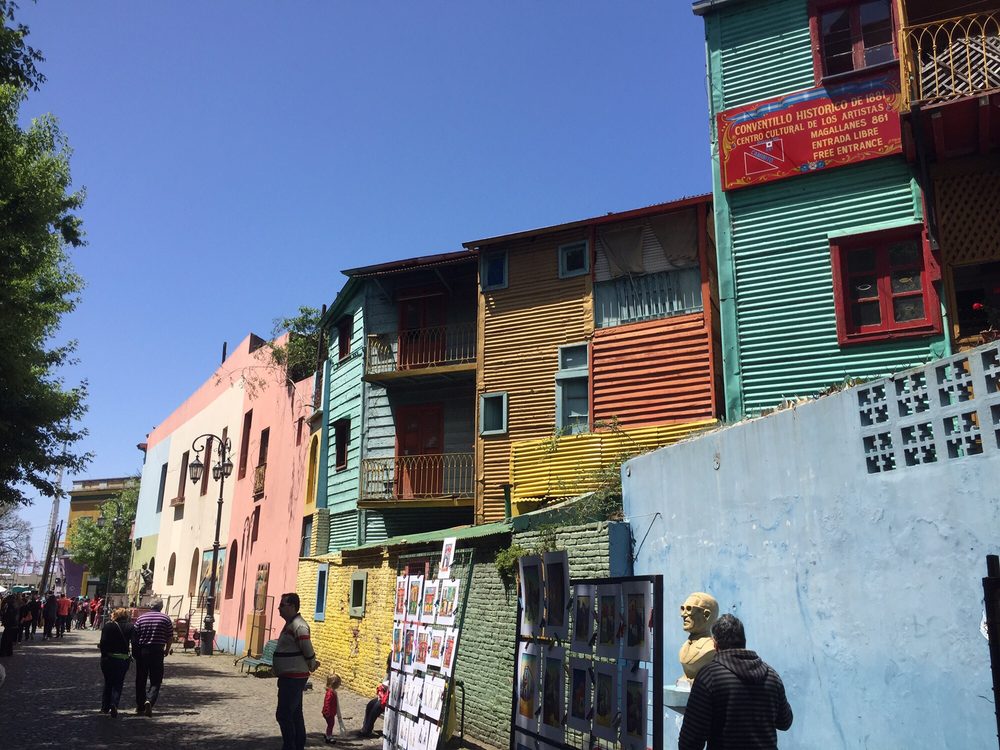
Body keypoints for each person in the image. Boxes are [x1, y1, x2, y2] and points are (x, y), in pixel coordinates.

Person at [679, 614, 793, 750]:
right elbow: (785, 722)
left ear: (715, 644)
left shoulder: (710, 676)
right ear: (743, 641)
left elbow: (691, 739)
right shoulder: (771, 676)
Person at [274, 592, 320, 750]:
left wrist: (312, 663)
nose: (279, 608)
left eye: (282, 605)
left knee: (284, 714)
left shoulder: (298, 625)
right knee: (295, 714)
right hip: (289, 676)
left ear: (292, 606)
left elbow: (307, 648)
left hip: (294, 677)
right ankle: (298, 744)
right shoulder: (291, 624)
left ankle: (290, 746)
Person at [132, 599, 174, 717]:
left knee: (141, 678)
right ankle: (149, 700)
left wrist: (135, 651)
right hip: (157, 651)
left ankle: (140, 706)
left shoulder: (141, 618)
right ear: (161, 607)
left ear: (150, 606)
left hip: (143, 651)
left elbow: (135, 635)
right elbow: (170, 636)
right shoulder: (166, 619)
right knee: (156, 679)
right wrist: (167, 649)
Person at [99, 607, 135, 717]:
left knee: (108, 682)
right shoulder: (131, 627)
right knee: (118, 683)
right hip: (123, 659)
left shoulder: (108, 626)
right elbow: (134, 642)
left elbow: (103, 642)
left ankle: (105, 707)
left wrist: (104, 655)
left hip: (109, 658)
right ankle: (114, 703)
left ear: (115, 615)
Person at [359, 654, 391, 737]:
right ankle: (366, 728)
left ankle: (367, 730)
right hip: (384, 695)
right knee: (370, 704)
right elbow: (385, 681)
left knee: (376, 707)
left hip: (390, 697)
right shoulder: (389, 670)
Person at [322, 673, 346, 743]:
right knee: (331, 724)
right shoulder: (330, 693)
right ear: (334, 684)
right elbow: (327, 703)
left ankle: (328, 734)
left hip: (330, 712)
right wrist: (328, 712)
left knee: (330, 724)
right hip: (329, 713)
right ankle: (329, 736)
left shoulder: (332, 692)